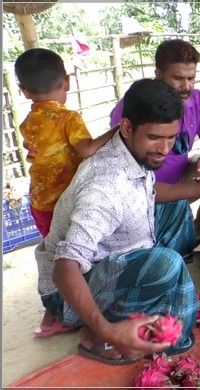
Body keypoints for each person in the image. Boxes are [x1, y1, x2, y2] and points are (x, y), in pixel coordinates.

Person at [35, 79, 200, 365]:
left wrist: (198, 190)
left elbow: (147, 191)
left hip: (115, 258)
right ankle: (96, 334)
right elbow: (65, 267)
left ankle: (131, 314)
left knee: (177, 212)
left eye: (171, 137)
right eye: (155, 138)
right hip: (69, 290)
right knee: (167, 264)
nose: (164, 148)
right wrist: (107, 330)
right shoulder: (105, 184)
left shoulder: (132, 152)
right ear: (126, 127)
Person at [14, 48, 118, 338]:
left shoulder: (27, 122)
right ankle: (58, 314)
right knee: (71, 255)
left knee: (53, 253)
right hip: (66, 202)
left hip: (39, 202)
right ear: (67, 82)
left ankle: (58, 311)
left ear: (23, 91)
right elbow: (85, 149)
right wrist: (115, 131)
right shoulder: (68, 119)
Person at [110, 39, 200, 237]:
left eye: (191, 78)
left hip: (179, 182)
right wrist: (196, 189)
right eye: (178, 78)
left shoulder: (196, 99)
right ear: (159, 75)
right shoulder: (137, 104)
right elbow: (132, 181)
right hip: (140, 191)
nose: (186, 86)